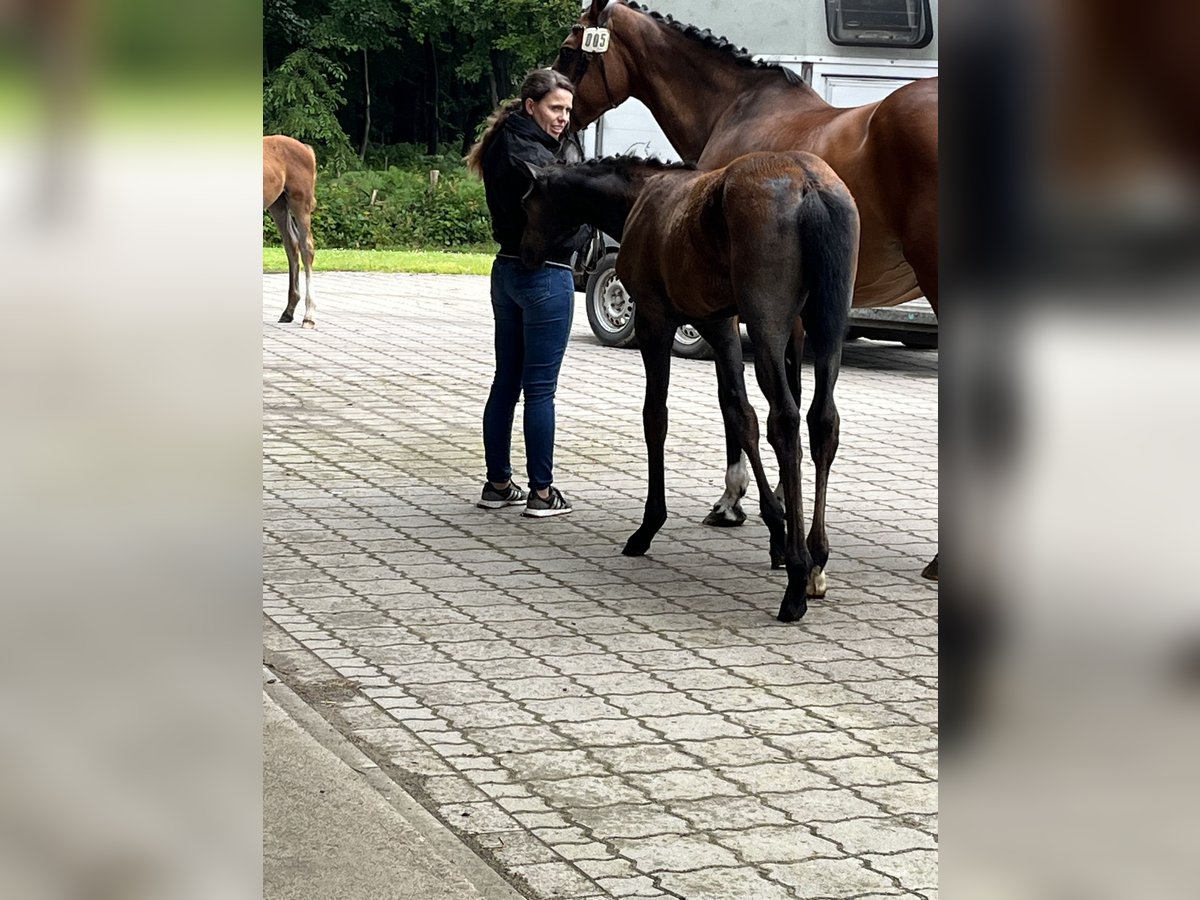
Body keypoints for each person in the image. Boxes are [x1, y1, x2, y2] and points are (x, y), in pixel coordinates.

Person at [465, 70, 578, 518]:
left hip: (506, 271)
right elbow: (566, 195)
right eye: (555, 108)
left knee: (506, 383)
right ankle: (543, 493)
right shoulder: (532, 153)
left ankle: (497, 484)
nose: (563, 119)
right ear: (531, 106)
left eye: (568, 110)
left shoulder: (502, 142)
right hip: (545, 275)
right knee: (540, 390)